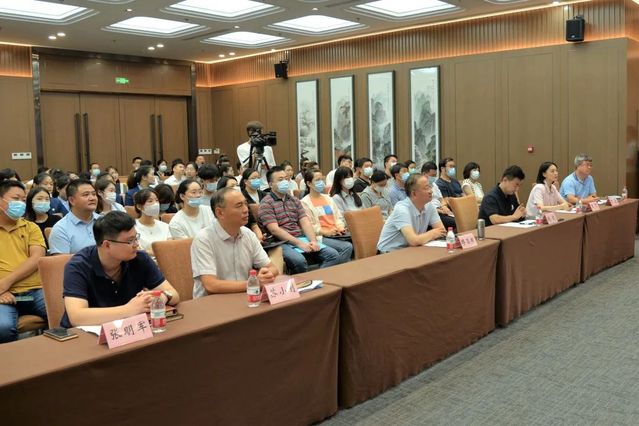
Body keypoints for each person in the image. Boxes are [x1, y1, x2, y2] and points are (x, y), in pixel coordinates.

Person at [60, 211, 180, 328]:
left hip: (127, 330)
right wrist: (129, 309)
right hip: (84, 335)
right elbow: (77, 317)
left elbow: (174, 294)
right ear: (107, 245)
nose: (136, 244)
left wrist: (162, 297)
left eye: (136, 238)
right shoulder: (78, 266)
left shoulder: (140, 258)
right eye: (130, 241)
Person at [191, 188, 278, 298]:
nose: (246, 210)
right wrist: (254, 283)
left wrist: (266, 275)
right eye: (239, 206)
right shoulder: (204, 239)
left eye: (245, 204)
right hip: (212, 301)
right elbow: (211, 285)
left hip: (245, 296)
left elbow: (273, 268)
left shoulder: (248, 234)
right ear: (220, 212)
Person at [258, 166, 340, 274]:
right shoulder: (266, 203)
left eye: (286, 178)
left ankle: (316, 279)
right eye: (280, 180)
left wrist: (313, 241)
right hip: (280, 242)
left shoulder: (294, 200)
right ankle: (305, 282)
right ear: (270, 184)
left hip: (300, 237)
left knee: (333, 255)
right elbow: (275, 230)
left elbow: (305, 222)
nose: (285, 182)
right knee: (299, 261)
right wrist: (299, 244)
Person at [0, 181, 48, 343]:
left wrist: (6, 282)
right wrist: (2, 290)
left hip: (33, 291)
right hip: (2, 295)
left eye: (23, 200)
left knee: (63, 312)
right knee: (3, 328)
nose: (20, 204)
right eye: (15, 199)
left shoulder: (31, 227)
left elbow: (36, 258)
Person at [377, 174, 446, 253]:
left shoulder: (429, 205)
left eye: (430, 187)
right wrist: (433, 233)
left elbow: (442, 231)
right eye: (426, 188)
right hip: (389, 253)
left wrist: (425, 237)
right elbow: (413, 241)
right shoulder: (401, 209)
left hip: (411, 249)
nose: (431, 191)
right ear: (414, 193)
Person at [301, 170, 353, 264]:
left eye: (322, 179)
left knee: (352, 243)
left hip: (335, 233)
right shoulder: (305, 202)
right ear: (309, 183)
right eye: (317, 180)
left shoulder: (328, 198)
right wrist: (326, 232)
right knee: (347, 247)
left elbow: (338, 217)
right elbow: (310, 226)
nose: (321, 182)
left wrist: (340, 227)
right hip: (321, 236)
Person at [49, 179, 100, 254]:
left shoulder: (105, 221)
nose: (92, 198)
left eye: (94, 194)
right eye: (86, 195)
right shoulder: (61, 229)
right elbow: (61, 260)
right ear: (72, 200)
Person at [237, 121, 276, 189]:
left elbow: (273, 167)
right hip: (252, 185)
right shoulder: (242, 148)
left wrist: (267, 167)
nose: (261, 135)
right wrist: (255, 150)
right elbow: (247, 167)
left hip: (266, 185)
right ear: (250, 133)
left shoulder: (268, 147)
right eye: (259, 132)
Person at [134, 188, 170, 259]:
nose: (155, 204)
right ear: (139, 206)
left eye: (157, 200)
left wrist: (149, 251)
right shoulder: (132, 227)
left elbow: (169, 248)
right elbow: (138, 252)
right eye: (150, 201)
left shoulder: (165, 226)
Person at [421, 162, 455, 229]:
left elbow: (441, 199)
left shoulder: (434, 185)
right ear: (424, 174)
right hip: (432, 213)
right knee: (454, 222)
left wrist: (444, 207)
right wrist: (440, 211)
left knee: (459, 218)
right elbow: (425, 206)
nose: (434, 177)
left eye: (435, 175)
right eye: (432, 175)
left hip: (441, 210)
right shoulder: (420, 187)